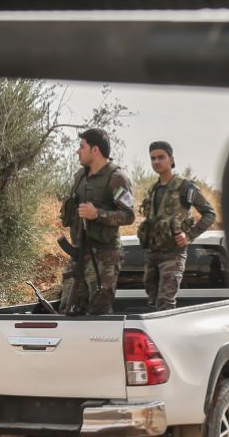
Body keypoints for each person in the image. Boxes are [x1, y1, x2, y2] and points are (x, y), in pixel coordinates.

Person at [58, 128, 135, 315]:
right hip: (79, 254)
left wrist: (98, 214)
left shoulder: (117, 179)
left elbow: (129, 215)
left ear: (95, 150)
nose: (78, 151)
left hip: (104, 257)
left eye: (82, 147)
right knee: (67, 309)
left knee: (98, 313)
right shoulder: (79, 177)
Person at [136, 141, 217, 311]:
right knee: (152, 302)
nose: (156, 161)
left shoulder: (184, 187)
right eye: (153, 158)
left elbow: (210, 214)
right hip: (152, 253)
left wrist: (189, 236)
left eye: (161, 157)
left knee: (166, 302)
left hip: (173, 254)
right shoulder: (153, 189)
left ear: (171, 159)